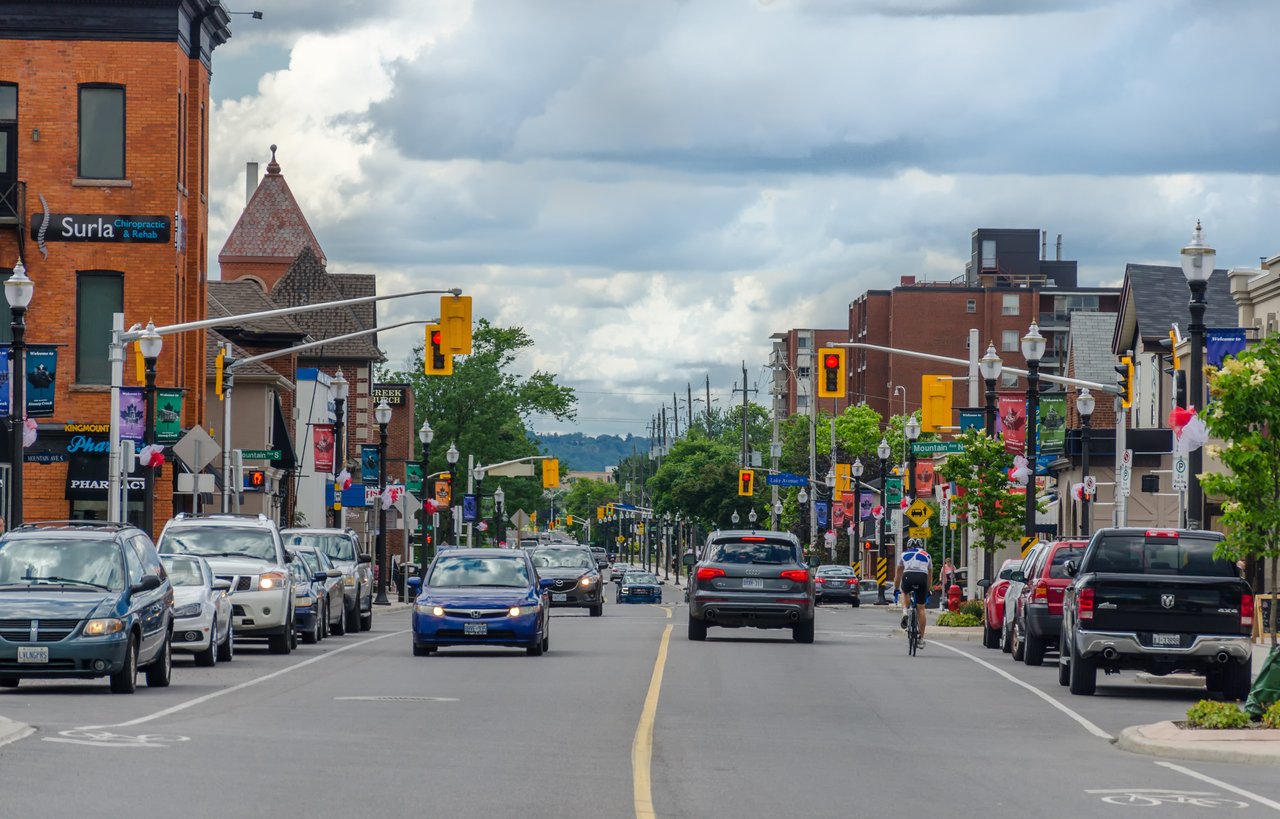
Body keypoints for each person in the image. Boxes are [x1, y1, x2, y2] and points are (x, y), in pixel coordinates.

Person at [894, 537, 933, 648]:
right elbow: (929, 576)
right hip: (922, 578)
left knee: (904, 592)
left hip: (908, 576)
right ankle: (921, 639)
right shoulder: (927, 555)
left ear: (908, 546)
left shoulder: (903, 554)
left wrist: (896, 588)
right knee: (921, 609)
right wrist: (928, 589)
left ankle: (905, 612)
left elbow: (898, 575)